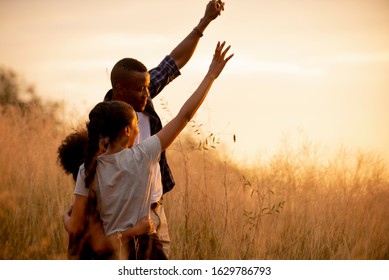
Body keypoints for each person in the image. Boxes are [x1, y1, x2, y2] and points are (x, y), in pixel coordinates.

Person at [68, 41, 233, 259]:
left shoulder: (86, 168)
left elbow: (76, 226)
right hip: (142, 249)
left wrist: (64, 217)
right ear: (127, 130)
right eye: (137, 124)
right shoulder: (143, 156)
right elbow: (184, 116)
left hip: (109, 254)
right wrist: (211, 76)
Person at [103, 0, 226, 257]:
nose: (148, 92)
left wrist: (204, 22)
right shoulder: (105, 122)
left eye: (148, 86)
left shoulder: (143, 95)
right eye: (141, 89)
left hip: (155, 213)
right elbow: (183, 116)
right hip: (122, 221)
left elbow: (173, 63)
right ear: (120, 90)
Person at [57, 129, 155, 259]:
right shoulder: (92, 202)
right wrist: (137, 230)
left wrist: (65, 217)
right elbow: (100, 245)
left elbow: (74, 227)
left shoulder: (81, 202)